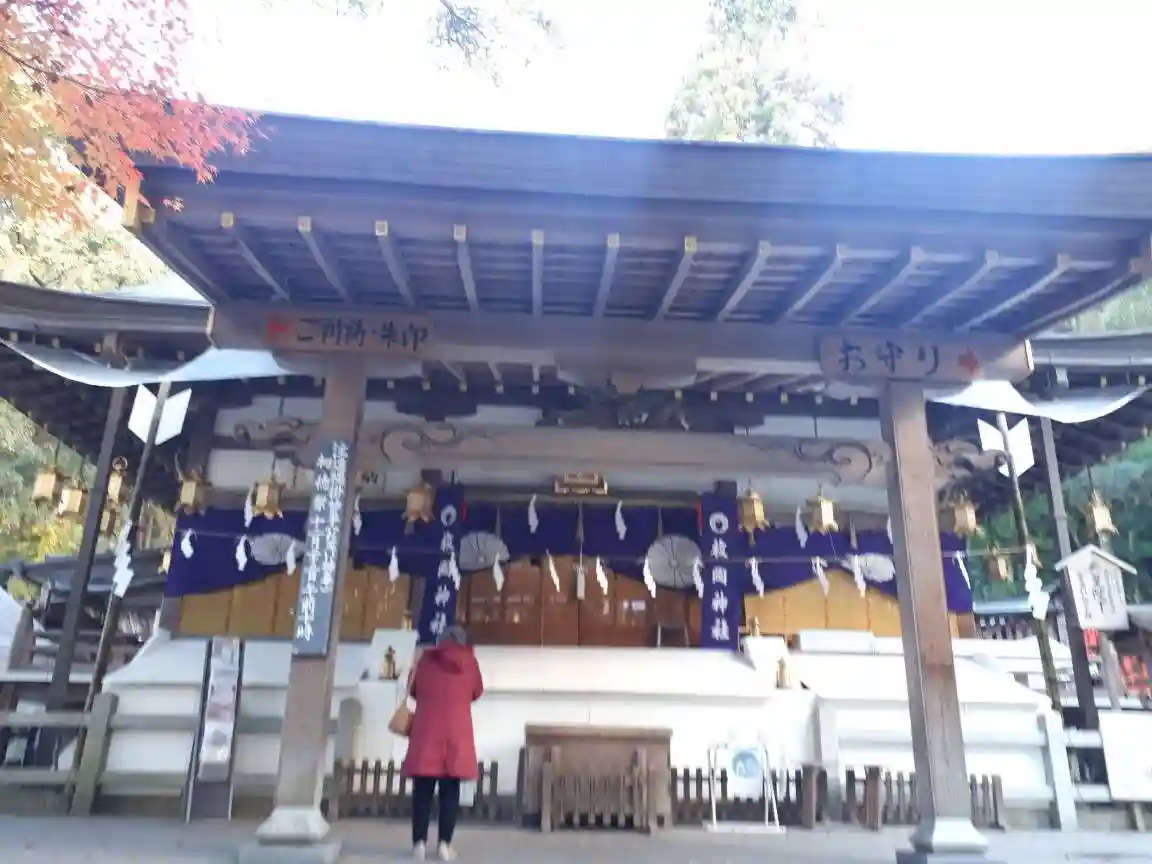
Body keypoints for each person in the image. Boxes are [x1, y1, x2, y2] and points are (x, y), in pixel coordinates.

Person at [403, 624, 484, 861]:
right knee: (450, 794)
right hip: (455, 736)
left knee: (422, 793)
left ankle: (419, 844)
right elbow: (477, 692)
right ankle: (444, 845)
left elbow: (413, 690)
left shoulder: (426, 661)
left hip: (426, 733)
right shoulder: (470, 663)